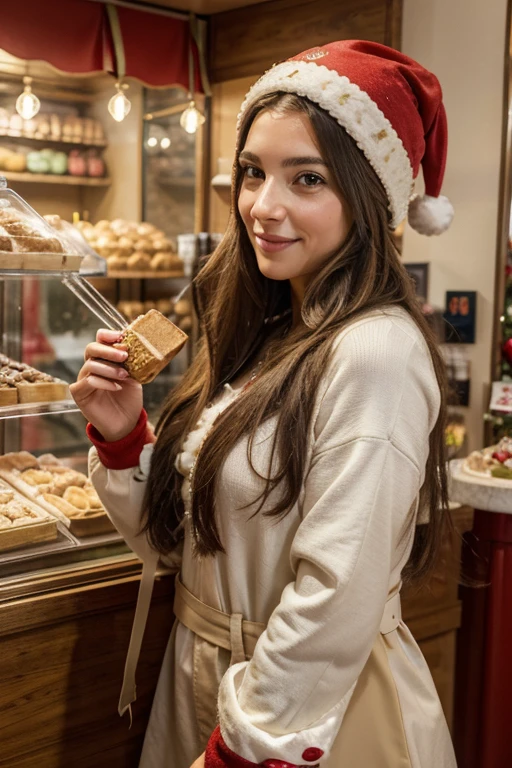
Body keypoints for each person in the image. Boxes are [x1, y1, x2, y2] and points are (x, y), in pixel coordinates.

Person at [70, 40, 457, 768]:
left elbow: (335, 600)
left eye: (306, 179)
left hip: (308, 724)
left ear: (370, 197)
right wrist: (126, 441)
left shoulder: (374, 352)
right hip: (210, 690)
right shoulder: (273, 334)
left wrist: (245, 750)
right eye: (253, 173)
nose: (262, 207)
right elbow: (190, 548)